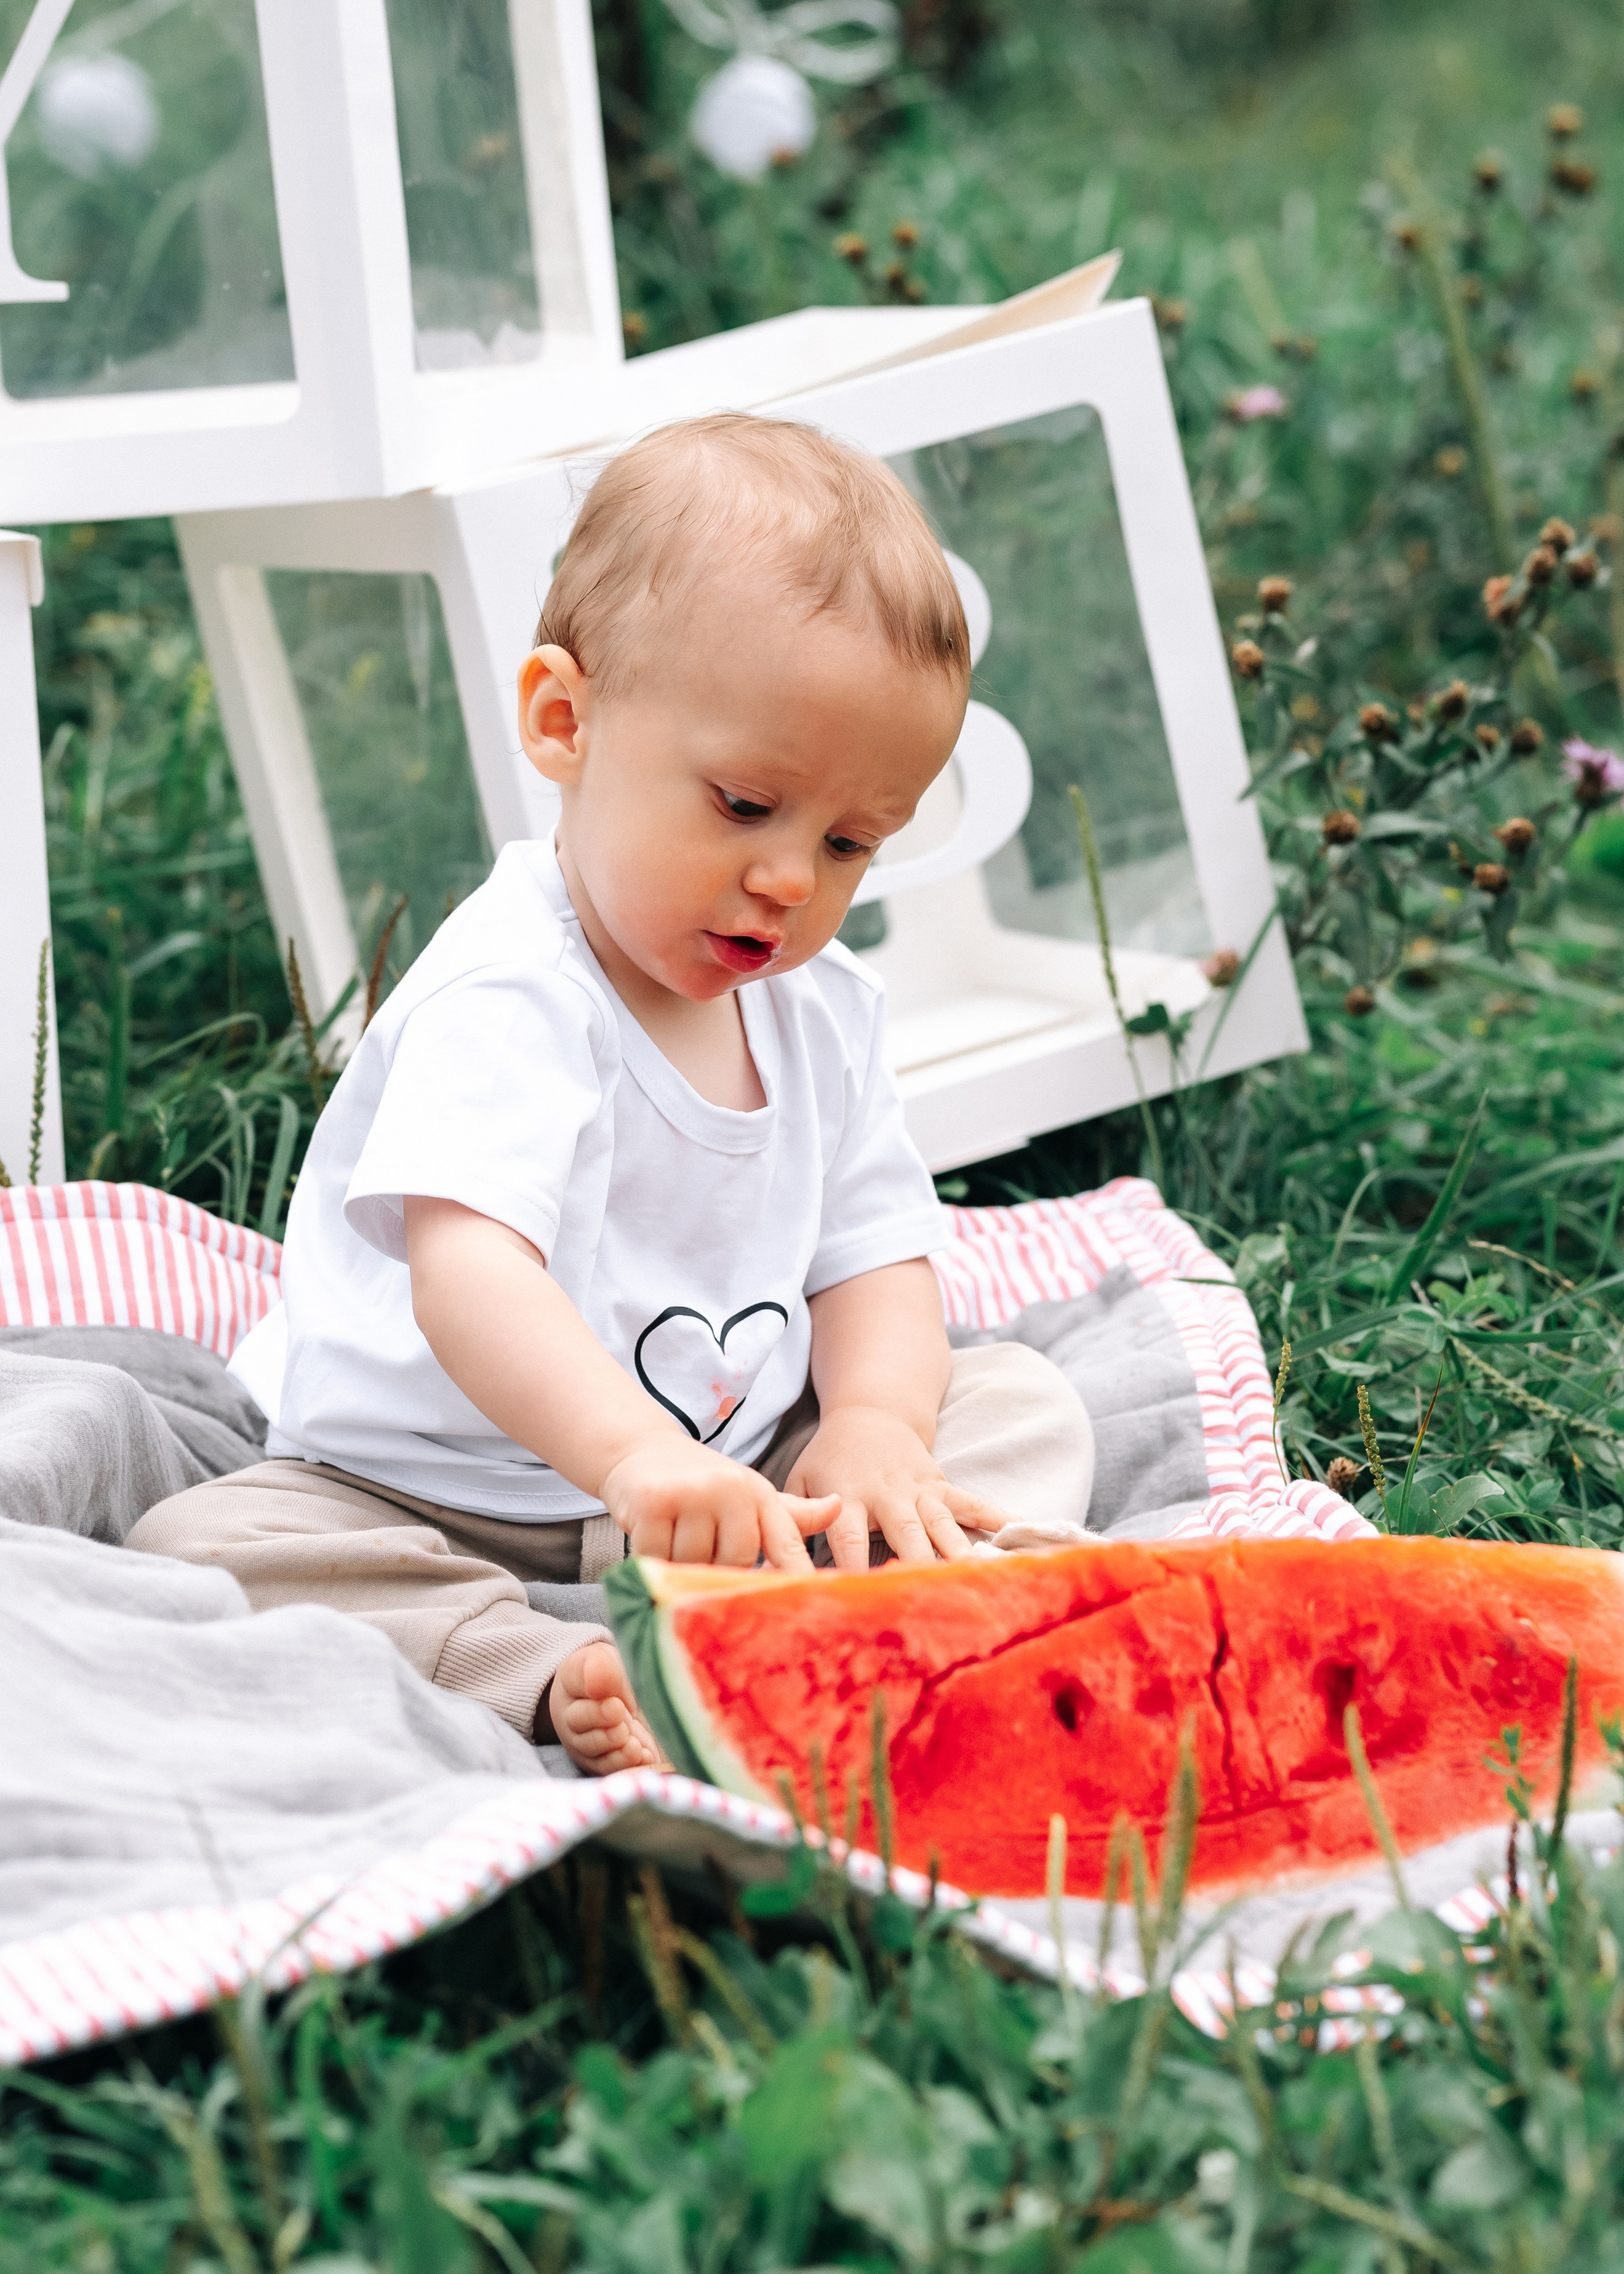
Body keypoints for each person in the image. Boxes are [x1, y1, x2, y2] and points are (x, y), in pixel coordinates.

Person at [130, 414, 1096, 1774]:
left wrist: (872, 1425)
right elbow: (470, 1274)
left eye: (846, 842)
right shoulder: (512, 990)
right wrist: (636, 1459)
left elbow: (875, 1249)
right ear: (564, 720)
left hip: (738, 1485)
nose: (787, 881)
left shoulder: (821, 1012)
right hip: (434, 1494)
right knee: (209, 1544)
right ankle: (544, 1662)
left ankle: (860, 1608)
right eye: (744, 803)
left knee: (1015, 1401)